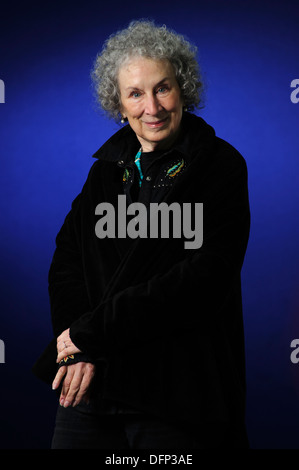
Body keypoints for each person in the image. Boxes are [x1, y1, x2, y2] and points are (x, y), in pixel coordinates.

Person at [33, 19, 251, 449]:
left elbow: (203, 280)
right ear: (119, 104)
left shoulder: (220, 167)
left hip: (175, 391)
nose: (152, 107)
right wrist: (77, 348)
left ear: (183, 90)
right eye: (136, 93)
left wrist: (89, 334)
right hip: (92, 384)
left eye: (162, 88)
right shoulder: (103, 173)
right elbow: (66, 264)